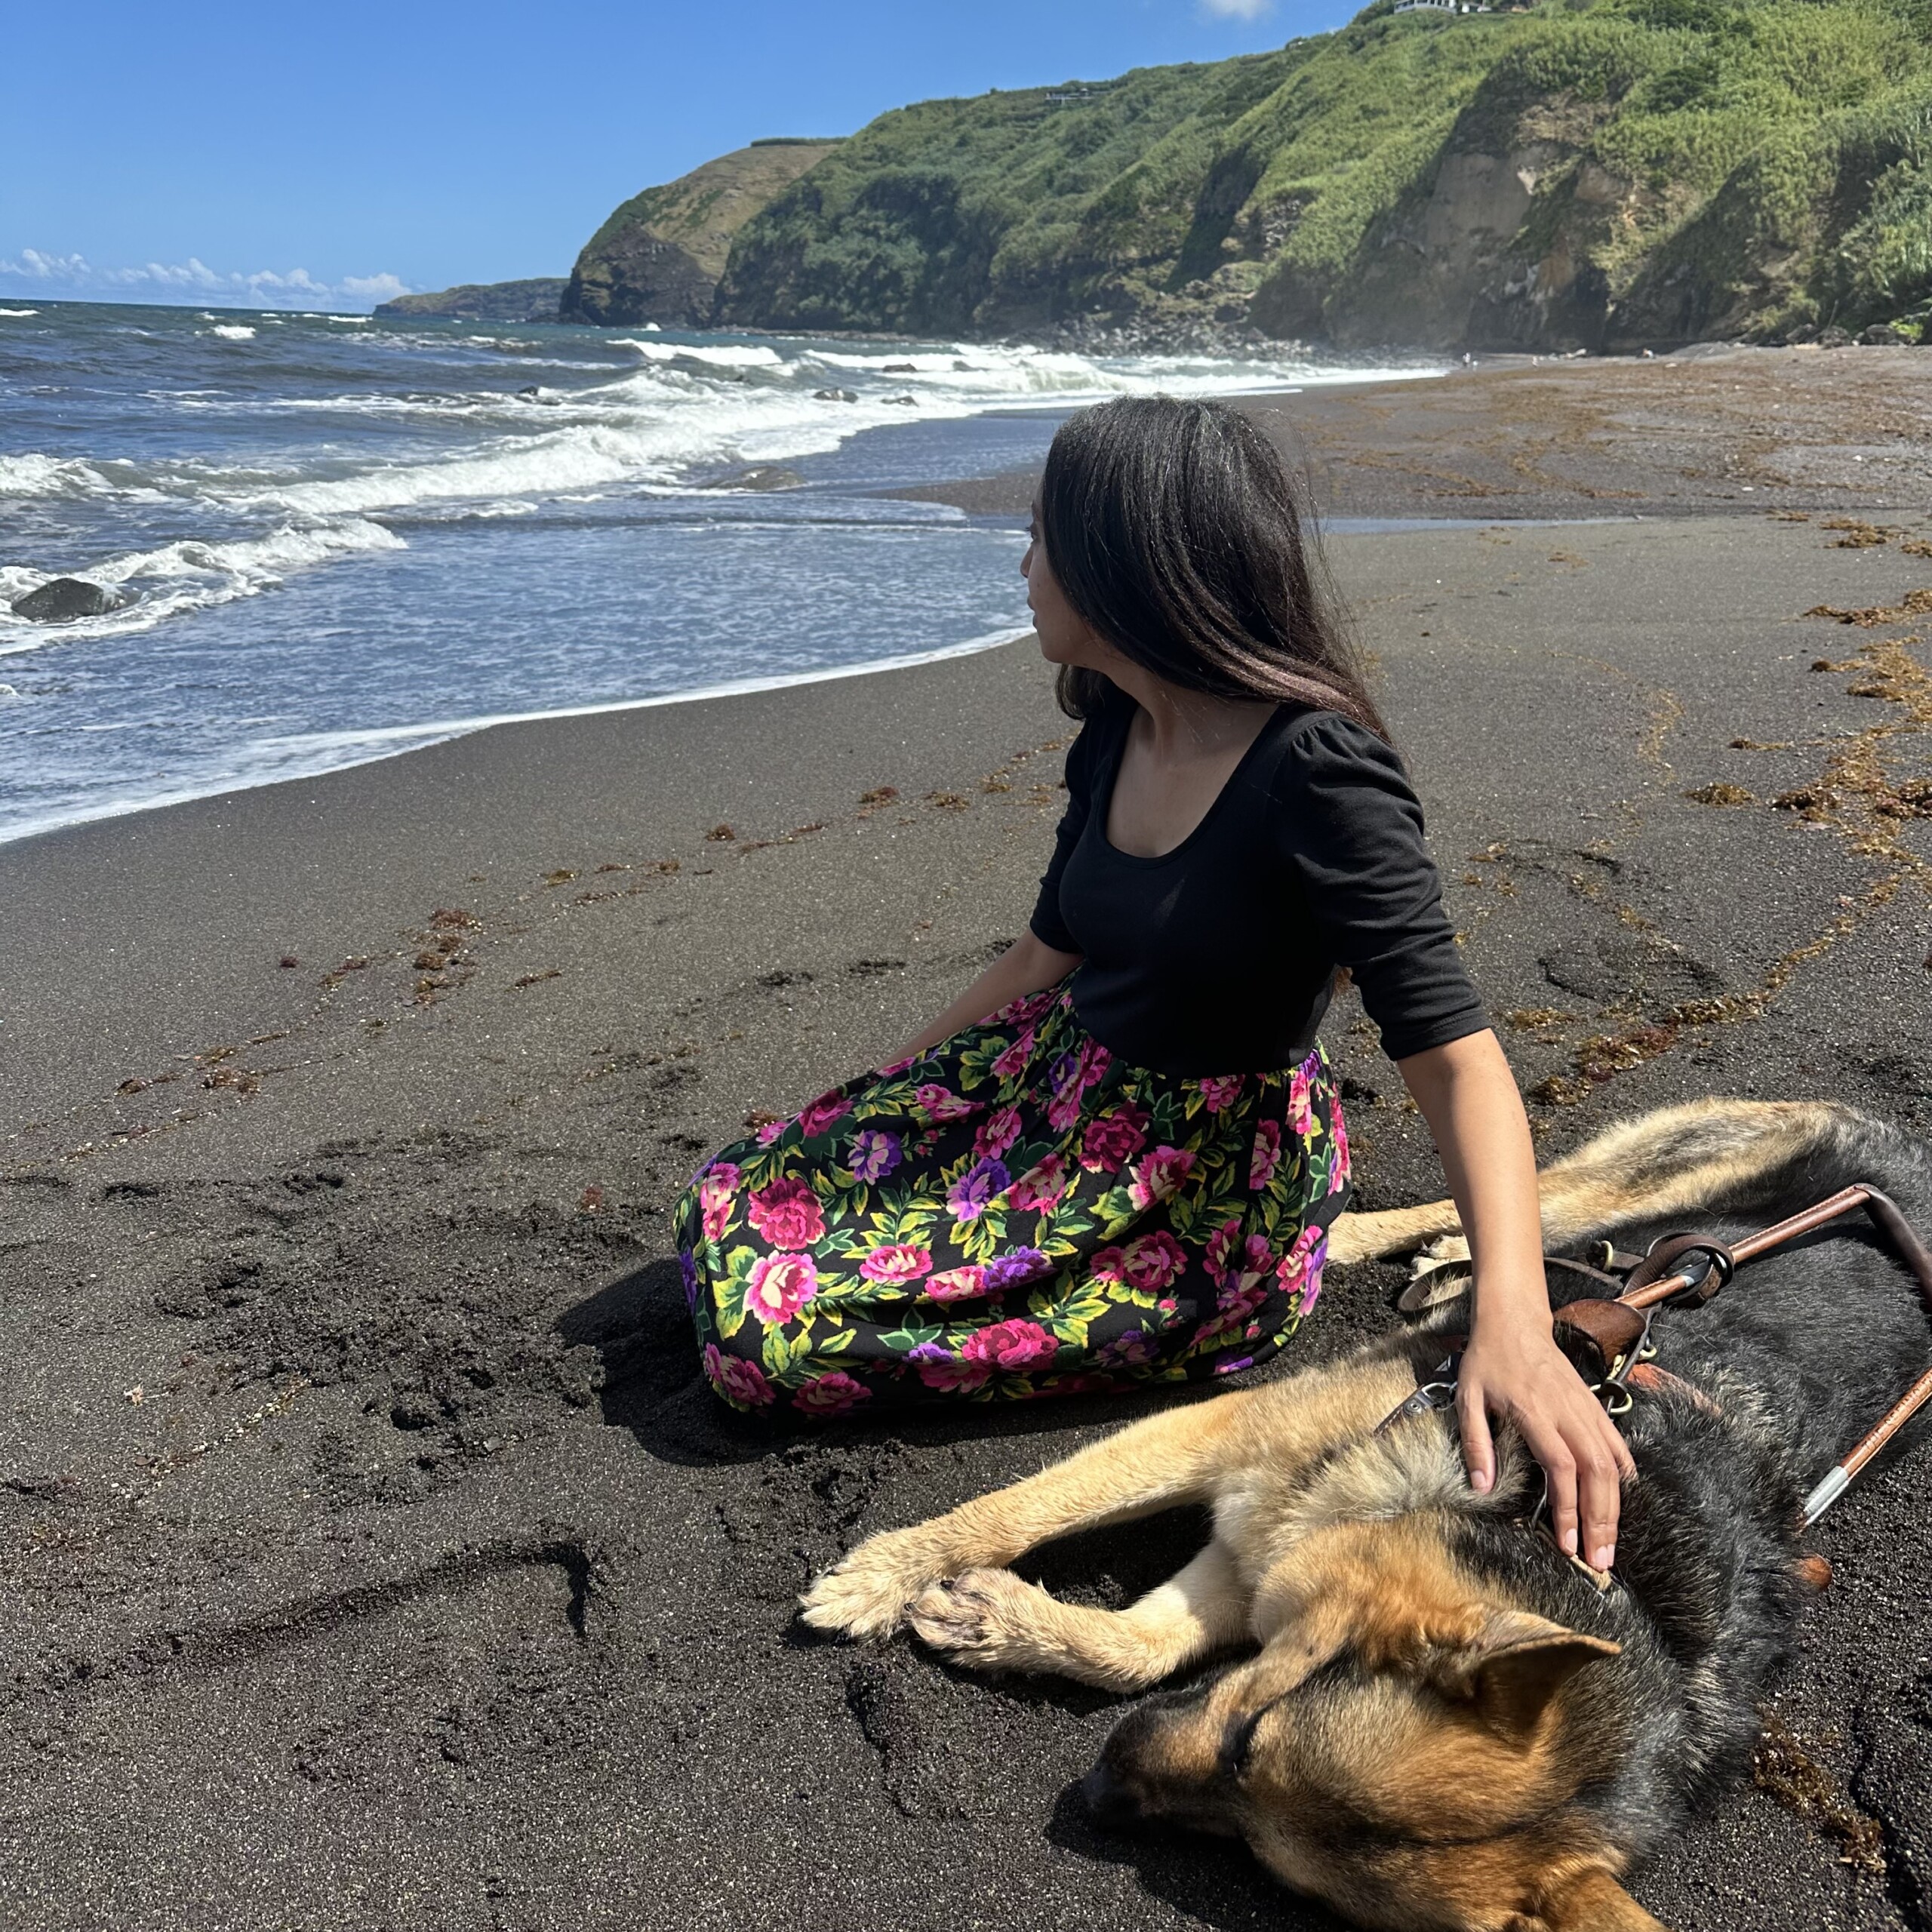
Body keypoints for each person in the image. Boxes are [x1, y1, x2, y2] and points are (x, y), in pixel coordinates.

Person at [675, 395, 1632, 1573]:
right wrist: (879, 1095)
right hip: (1055, 1089)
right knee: (744, 1190)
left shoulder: (1320, 776)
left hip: (1196, 1191)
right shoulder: (1114, 729)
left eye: (1041, 538)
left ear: (1124, 560)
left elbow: (1455, 1057)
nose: (1023, 565)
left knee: (773, 1349)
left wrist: (1515, 1317)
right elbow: (1044, 954)